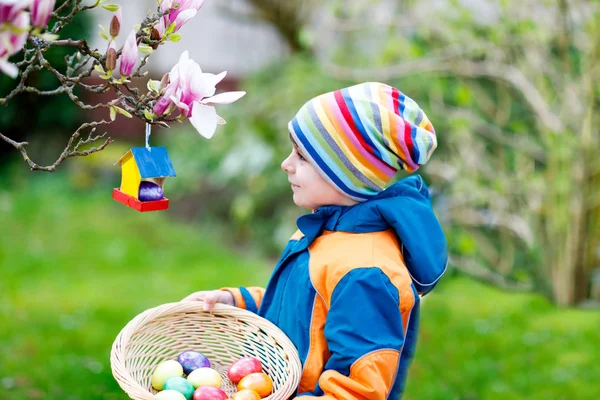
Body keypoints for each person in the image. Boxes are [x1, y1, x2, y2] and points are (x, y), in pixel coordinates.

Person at [183, 82, 448, 399]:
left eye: (301, 156)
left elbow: (359, 390)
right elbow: (302, 308)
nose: (286, 164)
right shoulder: (323, 230)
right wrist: (235, 302)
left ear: (349, 174)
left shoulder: (366, 272)